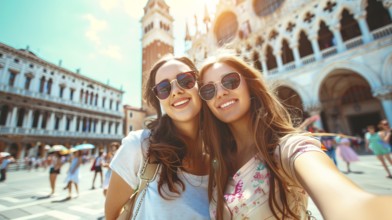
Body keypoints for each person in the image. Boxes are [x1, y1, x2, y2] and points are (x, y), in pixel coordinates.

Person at [198, 54, 392, 220]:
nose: (221, 93)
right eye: (208, 90)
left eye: (230, 81)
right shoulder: (218, 161)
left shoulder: (287, 148)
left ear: (250, 85)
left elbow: (345, 200)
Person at [105, 55, 209, 219]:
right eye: (164, 88)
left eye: (185, 79)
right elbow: (111, 215)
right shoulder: (139, 146)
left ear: (200, 85)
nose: (175, 91)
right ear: (159, 101)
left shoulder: (225, 155)